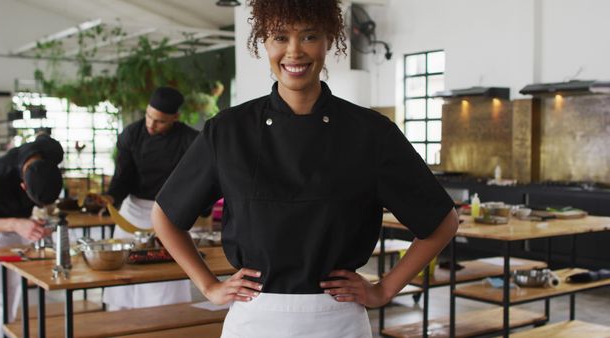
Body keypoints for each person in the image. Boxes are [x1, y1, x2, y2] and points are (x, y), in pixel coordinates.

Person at [152, 0, 459, 337]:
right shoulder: (228, 131)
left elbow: (441, 221)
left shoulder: (370, 133)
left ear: (329, 40)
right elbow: (166, 215)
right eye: (280, 37)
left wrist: (384, 290)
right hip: (255, 320)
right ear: (264, 43)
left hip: (337, 320)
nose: (294, 52)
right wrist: (209, 286)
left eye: (309, 36)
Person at [103, 86, 199, 310]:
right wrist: (109, 197)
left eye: (160, 121)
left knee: (165, 279)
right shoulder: (131, 134)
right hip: (133, 211)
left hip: (170, 212)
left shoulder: (190, 140)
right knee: (124, 272)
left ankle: (165, 323)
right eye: (148, 116)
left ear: (176, 117)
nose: (151, 125)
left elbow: (197, 182)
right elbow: (122, 176)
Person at [0, 134, 64, 338]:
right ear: (23, 186)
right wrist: (15, 224)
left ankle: (9, 332)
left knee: (14, 291)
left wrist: (41, 217)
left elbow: (43, 137)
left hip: (22, 226)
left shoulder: (50, 151)